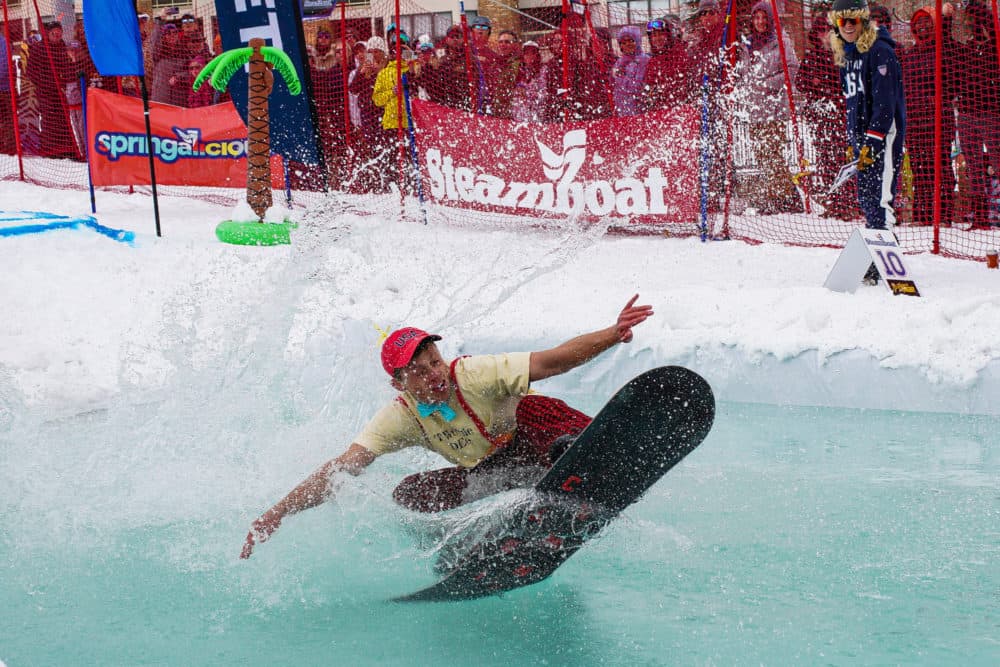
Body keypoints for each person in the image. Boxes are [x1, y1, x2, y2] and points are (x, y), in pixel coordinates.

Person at [240, 296, 653, 558]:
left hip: (544, 442)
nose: (434, 376)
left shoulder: (473, 374)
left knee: (536, 411)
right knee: (410, 494)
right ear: (398, 384)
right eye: (418, 373)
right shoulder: (400, 417)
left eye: (434, 362)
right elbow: (342, 467)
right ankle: (478, 540)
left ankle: (586, 456)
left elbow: (553, 360)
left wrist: (612, 334)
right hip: (500, 471)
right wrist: (277, 513)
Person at [828, 0, 905, 231]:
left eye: (854, 20)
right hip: (862, 138)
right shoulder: (846, 55)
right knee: (867, 198)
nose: (848, 26)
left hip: (882, 136)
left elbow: (885, 102)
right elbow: (852, 101)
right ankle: (876, 256)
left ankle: (887, 257)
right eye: (843, 21)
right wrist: (855, 139)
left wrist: (873, 138)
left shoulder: (880, 51)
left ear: (863, 21)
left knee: (882, 200)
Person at [736, 1, 802, 215]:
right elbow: (745, 73)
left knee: (773, 152)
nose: (760, 22)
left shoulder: (780, 41)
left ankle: (786, 196)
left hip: (774, 107)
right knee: (762, 153)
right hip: (756, 108)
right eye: (757, 18)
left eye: (765, 18)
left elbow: (792, 69)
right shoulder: (748, 44)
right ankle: (776, 193)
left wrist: (768, 85)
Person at [900, 4, 956, 227]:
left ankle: (944, 215)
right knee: (919, 168)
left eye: (927, 24)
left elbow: (952, 81)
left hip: (938, 120)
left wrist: (938, 97)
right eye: (918, 24)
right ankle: (922, 215)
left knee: (941, 168)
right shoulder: (910, 55)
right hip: (915, 121)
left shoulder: (943, 50)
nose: (922, 28)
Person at [611, 25, 650, 117]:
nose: (627, 45)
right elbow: (614, 84)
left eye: (631, 41)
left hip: (640, 110)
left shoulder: (645, 60)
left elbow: (638, 86)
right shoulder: (619, 63)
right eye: (623, 43)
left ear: (637, 41)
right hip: (622, 110)